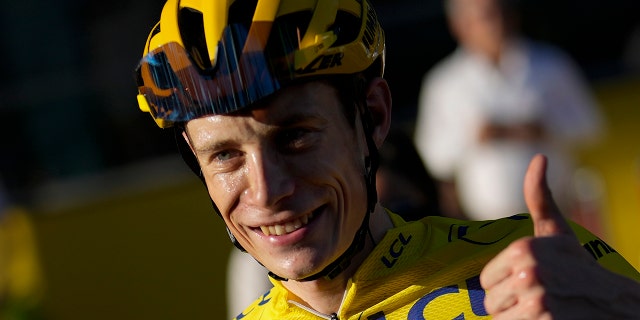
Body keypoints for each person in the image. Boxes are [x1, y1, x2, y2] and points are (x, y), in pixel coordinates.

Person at [133, 0, 640, 319]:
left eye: (296, 137)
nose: (267, 192)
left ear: (373, 118)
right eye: (224, 155)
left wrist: (622, 308)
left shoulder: (531, 276)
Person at [413, 0, 604, 221]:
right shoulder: (444, 84)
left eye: (504, 11)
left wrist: (545, 129)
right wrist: (474, 137)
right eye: (487, 16)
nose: (499, 23)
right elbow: (430, 158)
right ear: (460, 25)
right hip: (486, 224)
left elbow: (591, 126)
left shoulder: (551, 64)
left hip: (557, 212)